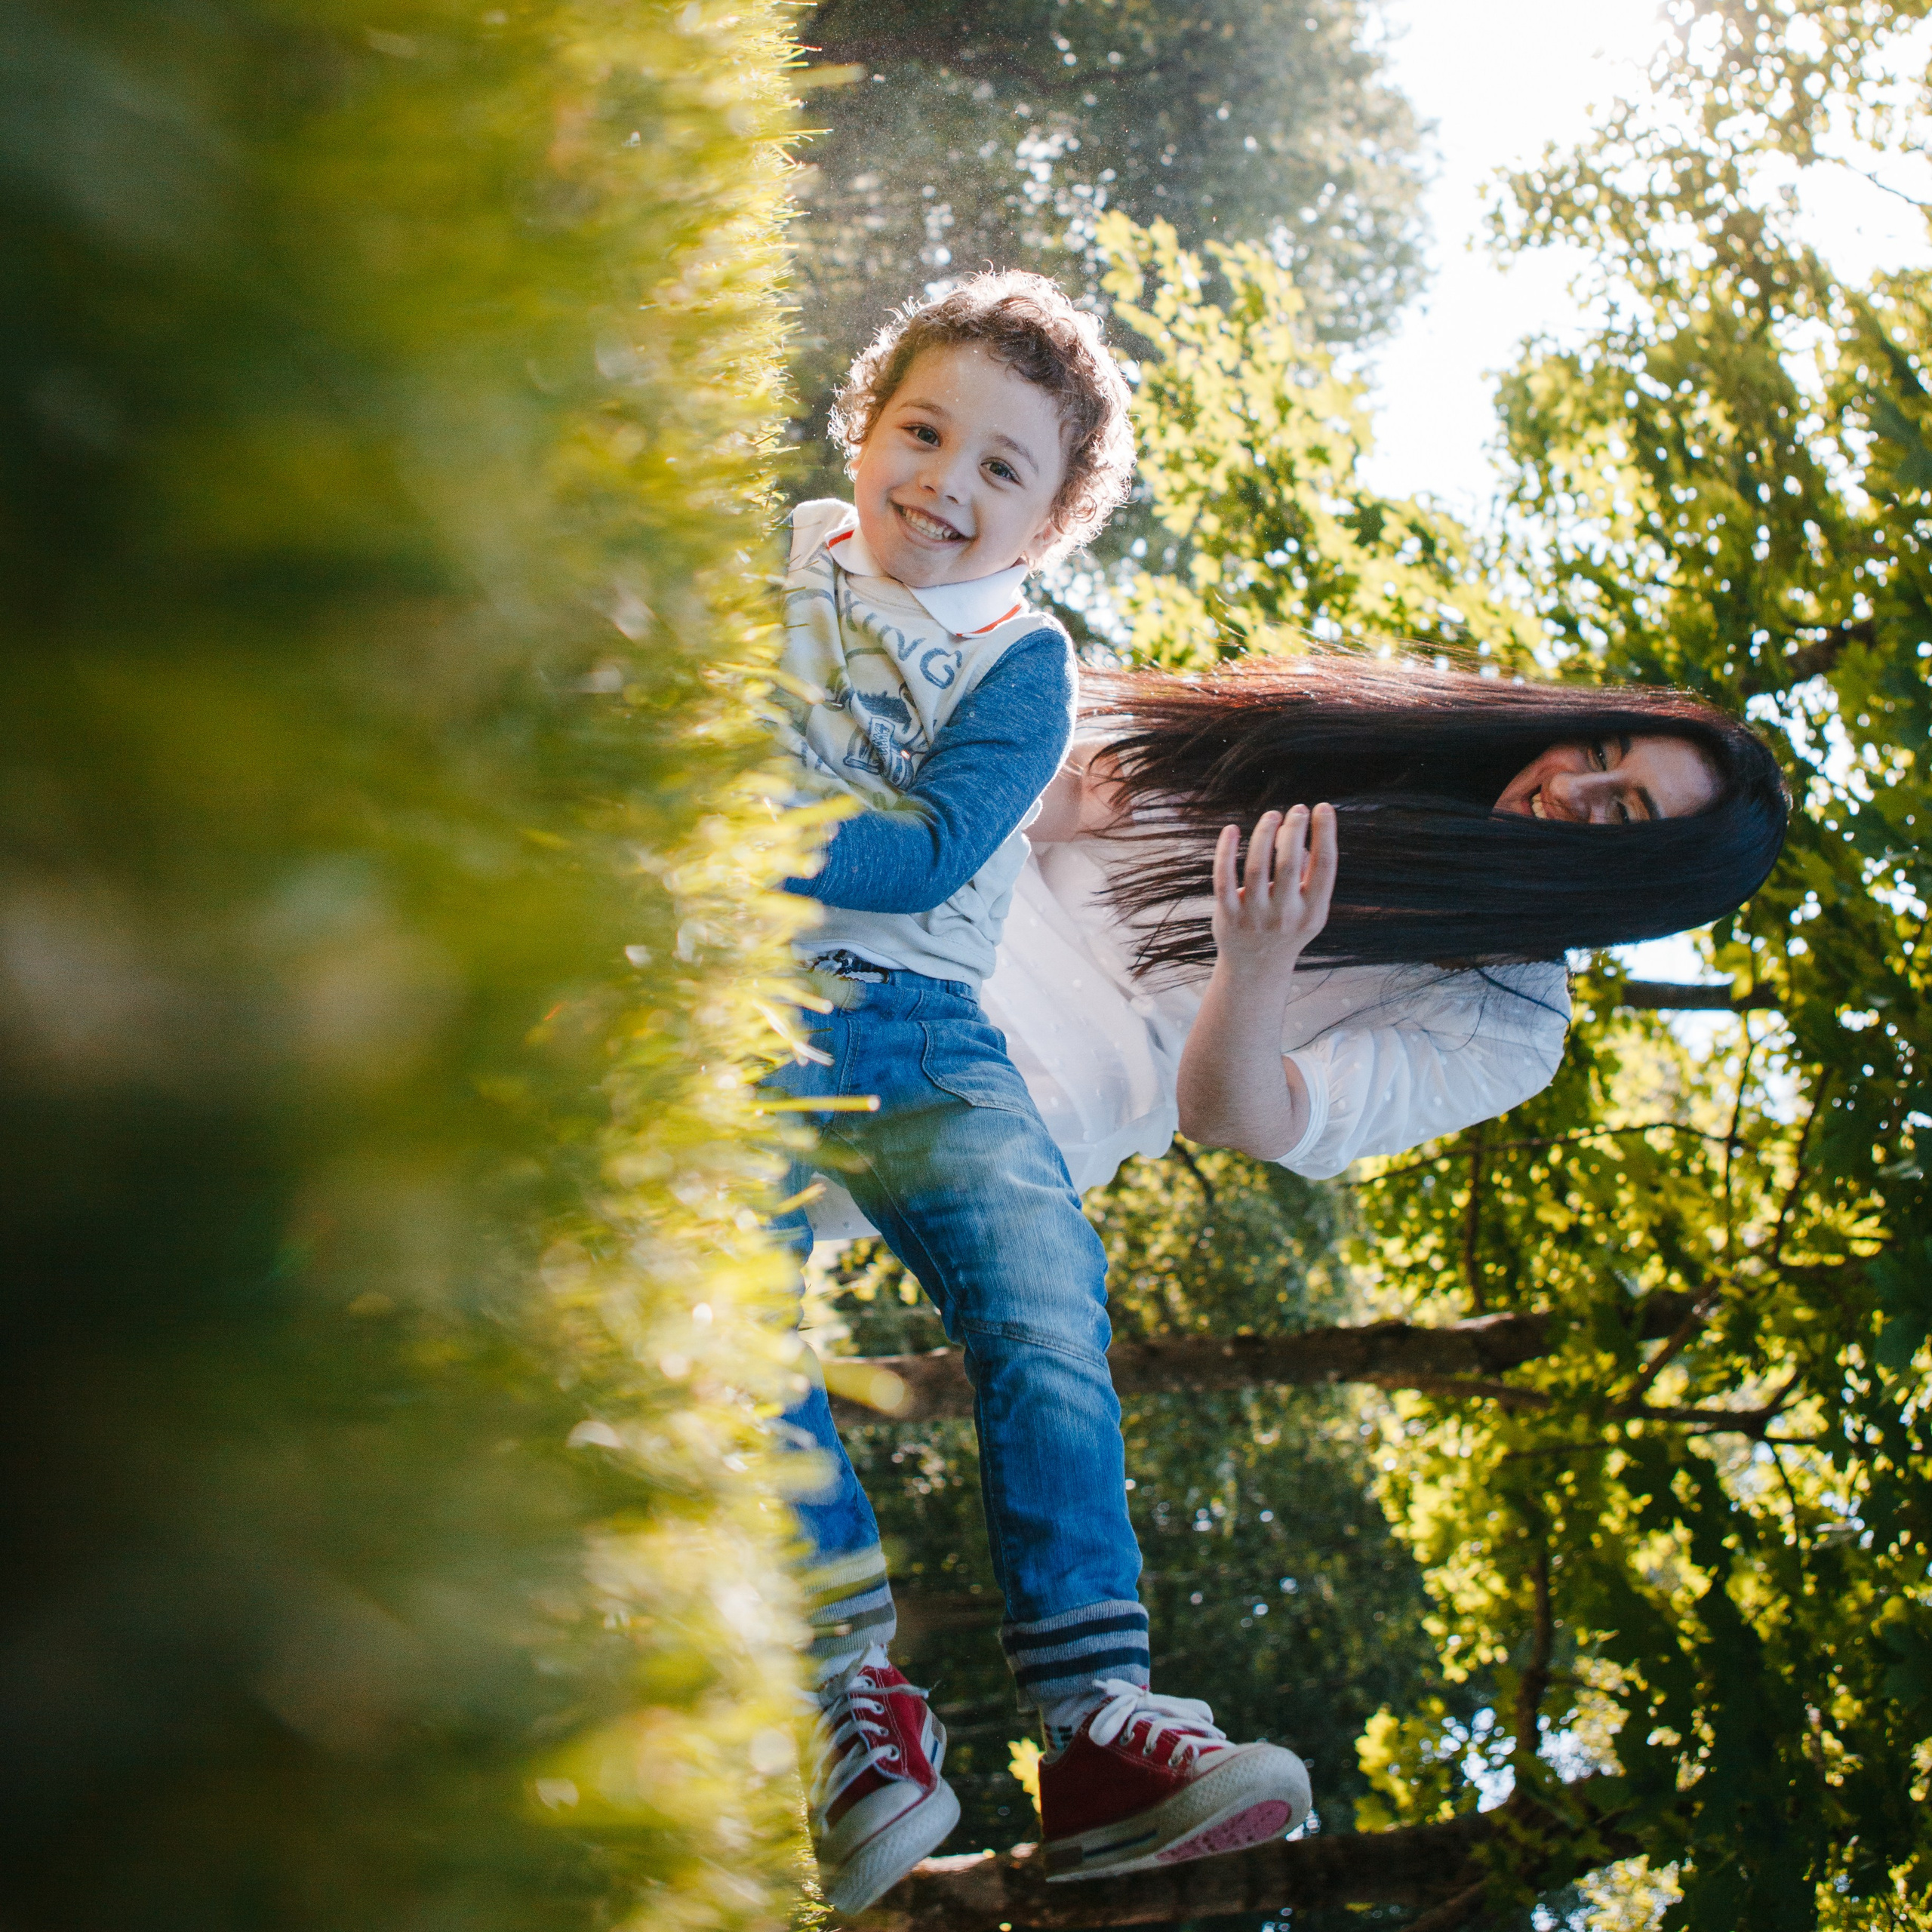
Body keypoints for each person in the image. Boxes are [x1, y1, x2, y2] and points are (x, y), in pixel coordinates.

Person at [768, 271, 1314, 1915]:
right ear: (864, 426)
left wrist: (732, 817)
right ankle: (850, 1704)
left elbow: (936, 847)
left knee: (1041, 1299)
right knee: (725, 1297)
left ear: (1053, 517)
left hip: (925, 1030)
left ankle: (1094, 1725)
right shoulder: (786, 559)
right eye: (922, 432)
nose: (945, 483)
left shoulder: (1022, 663)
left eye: (1000, 467)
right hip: (743, 1007)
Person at [808, 650, 1788, 1223]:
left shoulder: (1511, 1027)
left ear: (1643, 882)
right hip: (951, 899)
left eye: (1624, 811)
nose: (1574, 786)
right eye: (1601, 749)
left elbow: (1237, 1118)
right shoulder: (1394, 736)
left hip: (1001, 1091)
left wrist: (1258, 963)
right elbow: (1087, 788)